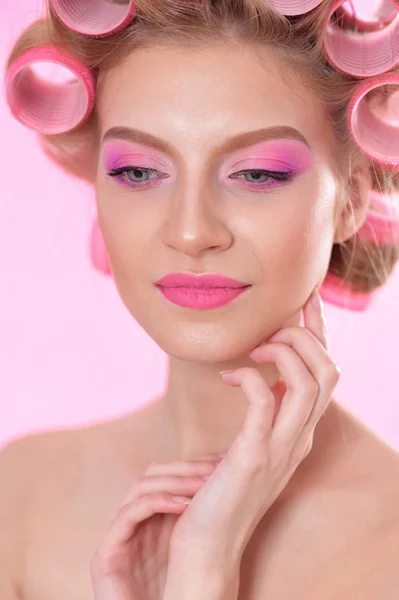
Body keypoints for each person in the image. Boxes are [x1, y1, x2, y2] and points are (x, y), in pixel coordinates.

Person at [1, 0, 399, 598]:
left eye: (258, 173)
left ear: (348, 199)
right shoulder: (21, 496)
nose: (191, 232)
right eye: (138, 172)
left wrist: (208, 568)